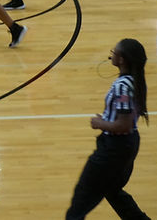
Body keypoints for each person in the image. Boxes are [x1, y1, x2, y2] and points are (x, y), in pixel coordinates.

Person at [65, 38, 151, 220]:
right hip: (127, 144)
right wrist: (107, 119)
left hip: (114, 148)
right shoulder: (135, 81)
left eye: (114, 52)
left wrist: (100, 123)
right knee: (112, 190)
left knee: (80, 202)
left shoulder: (122, 87)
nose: (111, 54)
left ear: (122, 60)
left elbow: (124, 125)